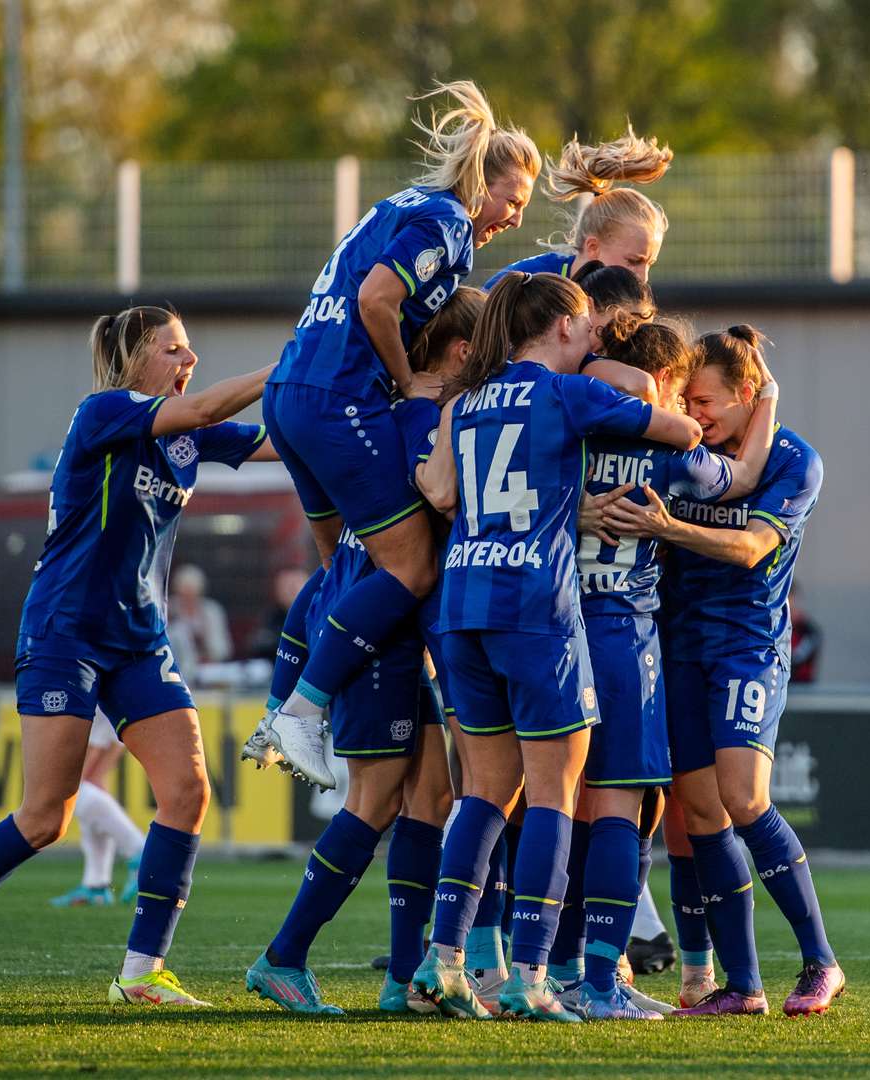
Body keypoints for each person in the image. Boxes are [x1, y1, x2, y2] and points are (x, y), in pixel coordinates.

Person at [0, 305, 275, 1006]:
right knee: (46, 817)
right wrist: (294, 361)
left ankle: (142, 971)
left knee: (187, 793)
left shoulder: (187, 434)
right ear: (134, 360)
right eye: (174, 349)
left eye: (189, 349)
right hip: (66, 630)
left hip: (138, 638)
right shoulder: (104, 411)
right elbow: (214, 404)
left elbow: (284, 440)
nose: (190, 361)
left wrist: (361, 406)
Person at [408, 272, 701, 1023]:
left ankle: (443, 964)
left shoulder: (464, 401)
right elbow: (682, 431)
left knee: (483, 792)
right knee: (552, 795)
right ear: (567, 328)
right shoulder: (568, 392)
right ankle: (532, 975)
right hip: (534, 608)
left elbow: (441, 493)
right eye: (589, 331)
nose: (595, 339)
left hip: (462, 604)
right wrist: (618, 382)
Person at [255, 81, 542, 790]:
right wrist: (403, 380)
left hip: (291, 392)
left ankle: (278, 708)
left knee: (338, 572)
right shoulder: (446, 221)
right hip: (337, 398)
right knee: (411, 568)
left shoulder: (401, 205)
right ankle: (303, 710)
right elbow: (377, 300)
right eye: (513, 198)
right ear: (482, 183)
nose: (513, 216)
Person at [243, 286, 483, 1017]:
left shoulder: (400, 414)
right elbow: (438, 507)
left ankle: (403, 975)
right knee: (375, 800)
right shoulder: (422, 416)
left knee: (431, 797)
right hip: (376, 631)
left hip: (391, 626)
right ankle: (283, 958)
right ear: (464, 352)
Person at [597, 325, 843, 1017]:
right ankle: (741, 985)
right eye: (687, 398)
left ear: (745, 396)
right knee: (697, 810)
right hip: (673, 646)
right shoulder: (685, 450)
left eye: (705, 400)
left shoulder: (796, 460)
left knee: (744, 798)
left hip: (745, 647)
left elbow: (750, 548)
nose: (695, 412)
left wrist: (669, 529)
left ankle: (821, 962)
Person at [560, 320, 777, 1019]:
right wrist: (766, 399)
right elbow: (743, 476)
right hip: (622, 633)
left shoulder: (567, 425)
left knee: (538, 804)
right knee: (626, 804)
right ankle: (599, 980)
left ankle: (515, 966)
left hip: (549, 626)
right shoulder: (671, 448)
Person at [484, 128, 672, 286]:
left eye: (649, 264)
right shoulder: (532, 282)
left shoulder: (629, 302)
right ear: (592, 247)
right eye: (633, 261)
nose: (643, 278)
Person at [49, 709, 144, 907]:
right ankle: (96, 886)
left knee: (73, 786)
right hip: (123, 690)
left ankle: (140, 852)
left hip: (98, 688)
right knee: (92, 783)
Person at [166, 564, 231, 678]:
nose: (188, 598)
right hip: (177, 669)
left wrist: (209, 654)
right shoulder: (168, 609)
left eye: (192, 593)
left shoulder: (212, 611)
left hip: (210, 670)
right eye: (184, 593)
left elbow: (223, 648)